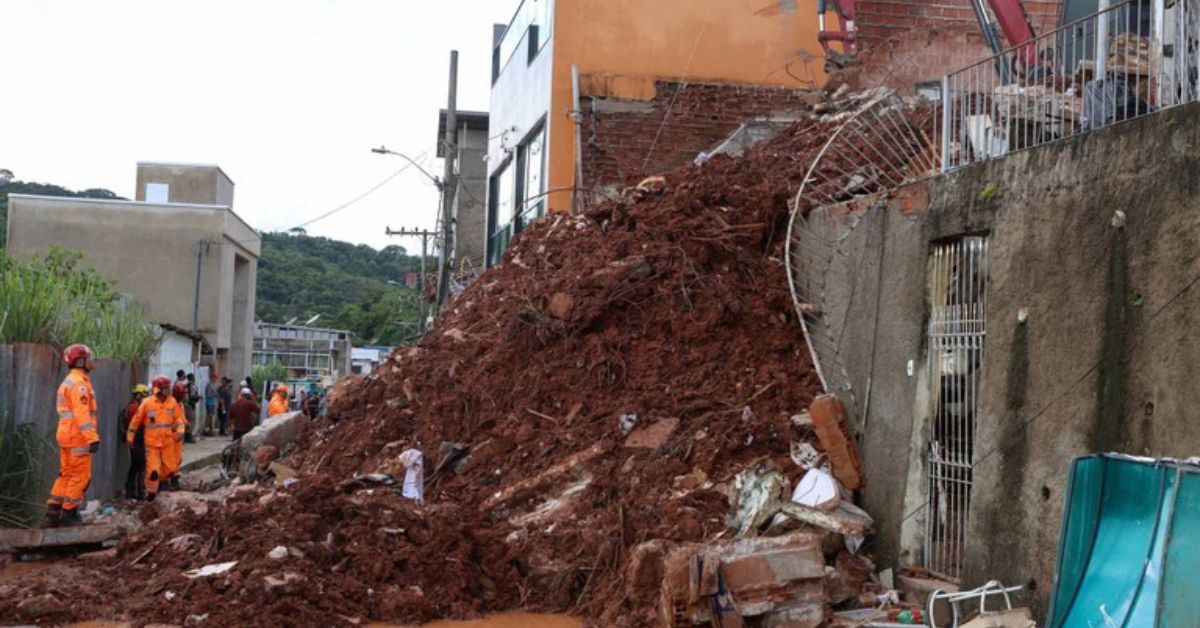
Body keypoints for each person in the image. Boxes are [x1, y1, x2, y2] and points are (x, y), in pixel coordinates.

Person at [44, 344, 100, 527]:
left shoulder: (70, 381)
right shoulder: (79, 384)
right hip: (78, 437)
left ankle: (53, 512)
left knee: (66, 474)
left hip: (66, 435)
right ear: (80, 361)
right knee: (80, 477)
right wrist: (92, 437)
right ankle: (69, 513)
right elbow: (81, 414)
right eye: (89, 357)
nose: (92, 360)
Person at [127, 376, 187, 501]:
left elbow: (178, 419)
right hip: (152, 444)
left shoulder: (172, 403)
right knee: (152, 471)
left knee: (170, 469)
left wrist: (180, 431)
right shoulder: (147, 403)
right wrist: (130, 437)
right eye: (166, 387)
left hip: (167, 442)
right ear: (158, 389)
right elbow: (135, 421)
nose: (169, 390)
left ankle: (162, 486)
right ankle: (151, 494)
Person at [121, 384, 150, 500]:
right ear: (139, 395)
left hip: (136, 439)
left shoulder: (133, 407)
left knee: (135, 466)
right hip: (137, 439)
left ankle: (132, 490)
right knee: (140, 466)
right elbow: (137, 424)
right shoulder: (134, 408)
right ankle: (138, 491)